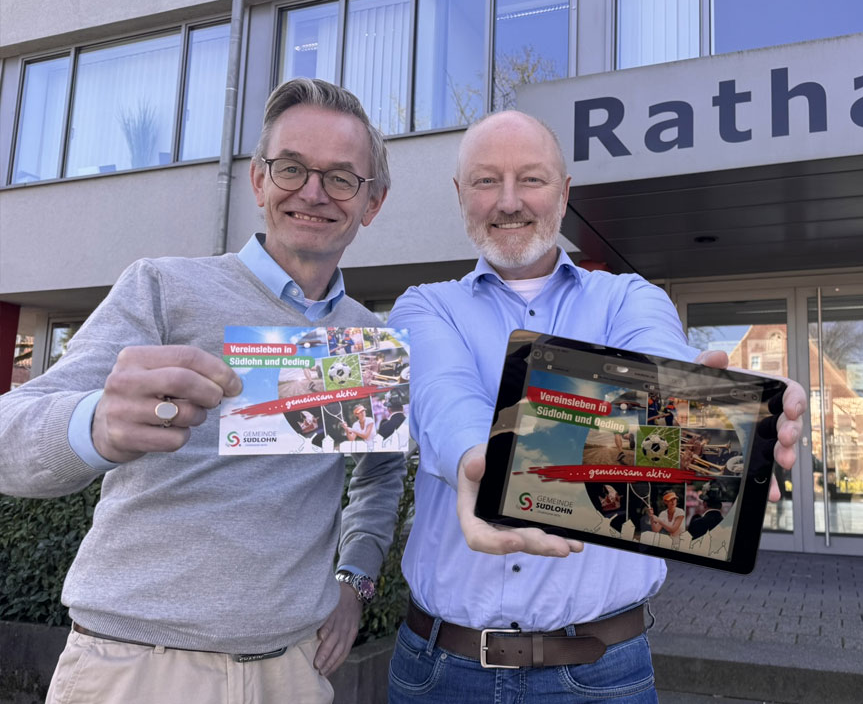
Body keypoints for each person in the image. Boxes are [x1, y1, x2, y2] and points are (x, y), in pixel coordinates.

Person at [0, 78, 406, 704]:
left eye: (342, 177)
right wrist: (96, 425)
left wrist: (356, 582)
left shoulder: (367, 337)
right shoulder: (162, 289)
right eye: (292, 168)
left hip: (291, 675)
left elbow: (379, 478)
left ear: (372, 202)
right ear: (257, 179)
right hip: (135, 670)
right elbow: (10, 437)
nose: (313, 192)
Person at [387, 110, 806, 702]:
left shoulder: (630, 298)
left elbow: (659, 364)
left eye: (530, 179)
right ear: (461, 195)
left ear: (564, 194)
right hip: (440, 670)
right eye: (485, 181)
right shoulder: (424, 306)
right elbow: (441, 390)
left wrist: (703, 401)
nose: (508, 201)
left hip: (601, 676)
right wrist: (474, 459)